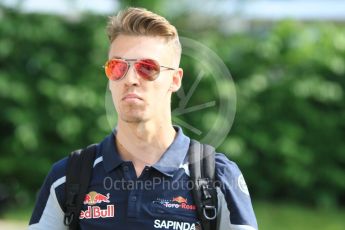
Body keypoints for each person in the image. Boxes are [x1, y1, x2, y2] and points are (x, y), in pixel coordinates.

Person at [29, 7, 258, 230]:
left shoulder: (217, 178)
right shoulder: (68, 177)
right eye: (117, 66)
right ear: (109, 78)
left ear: (175, 80)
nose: (130, 79)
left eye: (147, 68)